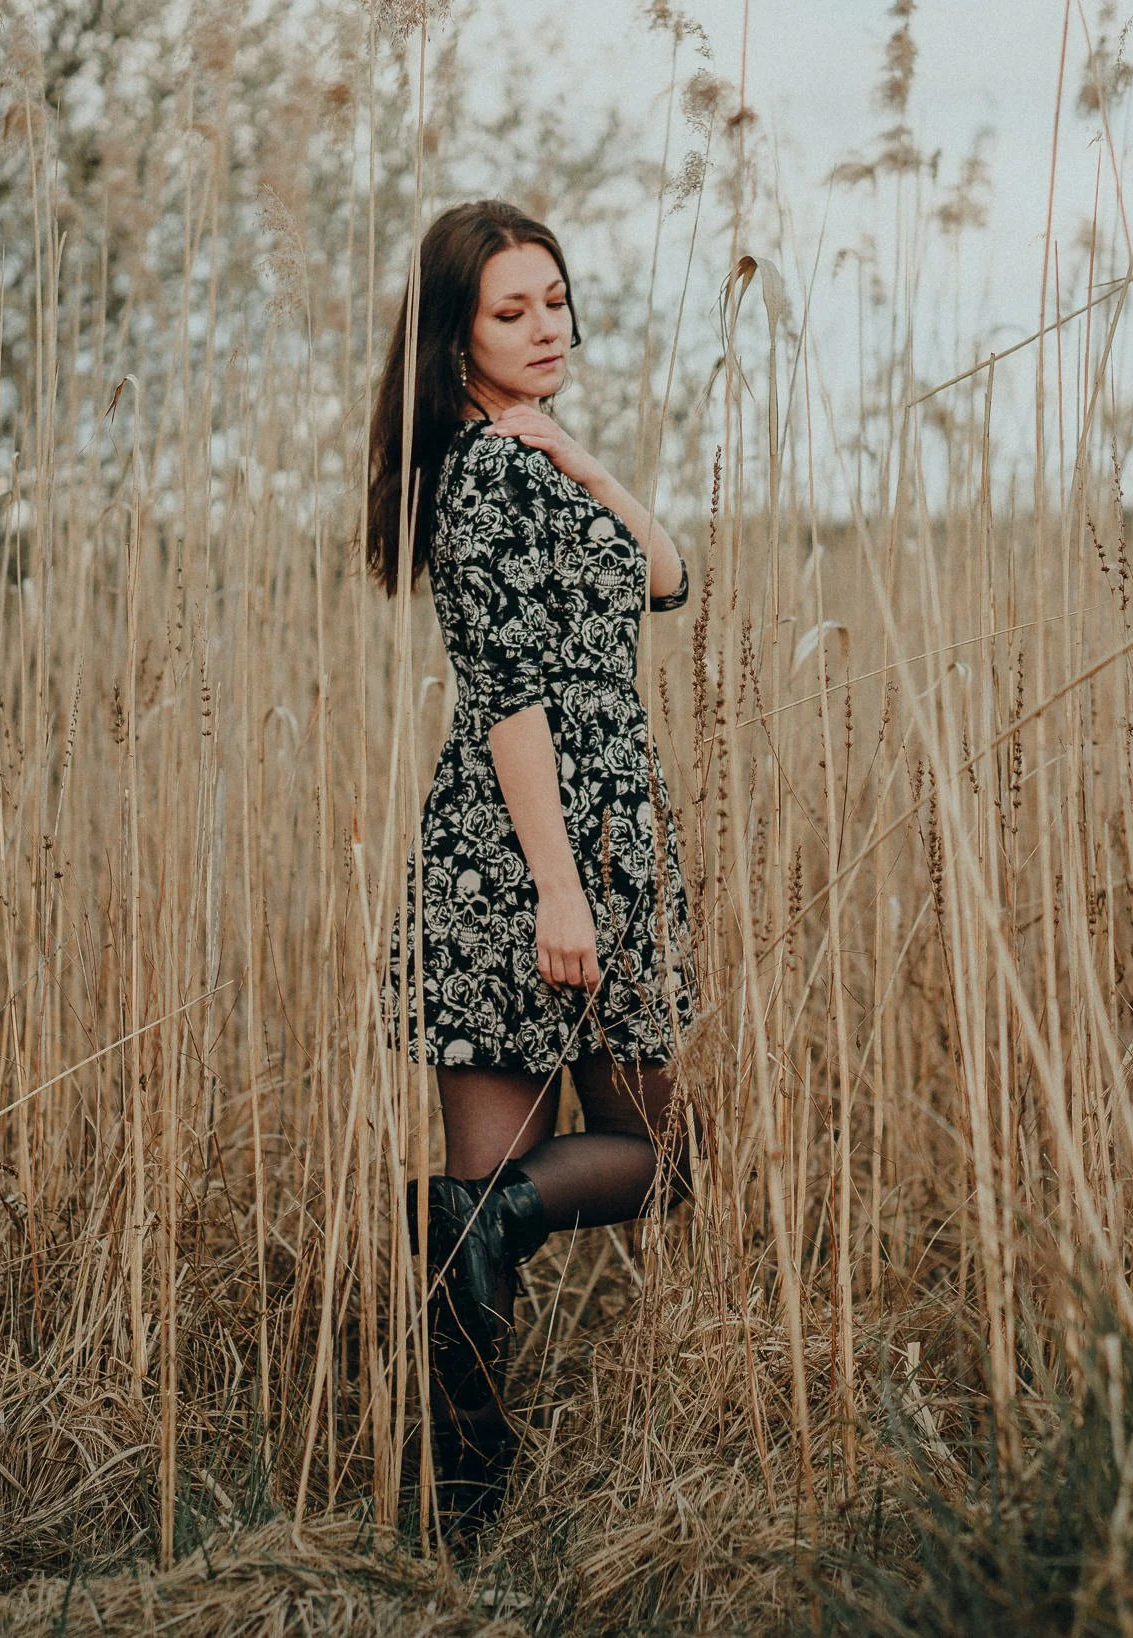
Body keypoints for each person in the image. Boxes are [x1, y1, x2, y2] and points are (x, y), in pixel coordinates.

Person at [367, 198, 700, 1533]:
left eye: (554, 299)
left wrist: (589, 461)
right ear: (458, 345)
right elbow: (508, 697)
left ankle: (459, 1524)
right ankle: (464, 1504)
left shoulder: (528, 457)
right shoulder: (489, 477)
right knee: (652, 1152)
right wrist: (562, 889)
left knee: (478, 1211)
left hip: (563, 844)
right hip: (544, 854)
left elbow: (670, 579)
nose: (546, 324)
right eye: (513, 310)